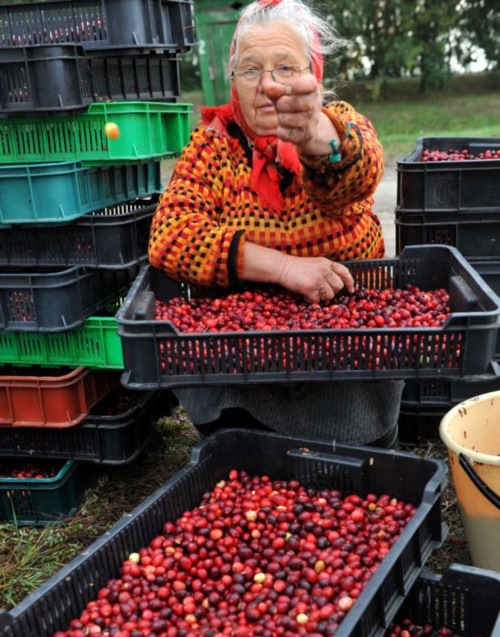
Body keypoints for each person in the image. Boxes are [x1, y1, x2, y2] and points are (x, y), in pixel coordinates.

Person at [148, 0, 404, 448]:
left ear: (313, 74)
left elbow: (360, 172)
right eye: (250, 70)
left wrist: (315, 137)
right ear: (233, 81)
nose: (268, 85)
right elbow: (171, 235)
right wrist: (285, 268)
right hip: (245, 362)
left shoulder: (337, 127)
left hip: (342, 355)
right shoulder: (212, 147)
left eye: (286, 67)